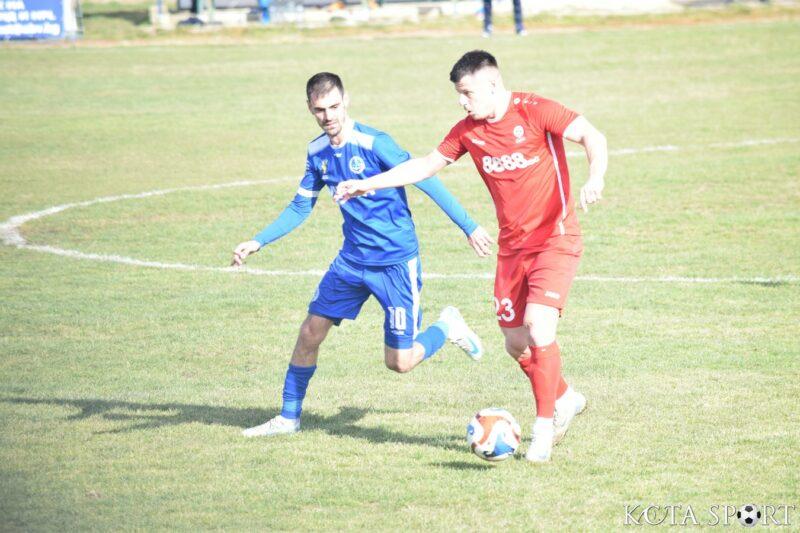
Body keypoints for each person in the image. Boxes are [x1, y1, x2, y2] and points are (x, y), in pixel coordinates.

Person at [335, 51, 608, 462]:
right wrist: (367, 184)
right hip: (511, 250)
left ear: (492, 85)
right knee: (516, 344)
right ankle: (565, 397)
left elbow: (592, 136)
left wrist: (595, 177)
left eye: (467, 93)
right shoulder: (468, 131)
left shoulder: (535, 110)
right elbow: (425, 166)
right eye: (459, 95)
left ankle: (543, 430)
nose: (462, 102)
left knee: (538, 326)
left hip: (556, 238)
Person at [233, 72, 494, 438]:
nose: (328, 116)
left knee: (400, 362)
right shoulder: (317, 153)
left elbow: (424, 176)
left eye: (334, 107)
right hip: (351, 261)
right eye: (320, 110)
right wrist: (258, 241)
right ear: (309, 109)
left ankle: (446, 326)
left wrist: (468, 226)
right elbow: (300, 206)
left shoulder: (374, 143)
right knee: (309, 333)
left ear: (346, 102)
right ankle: (288, 417)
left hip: (394, 262)